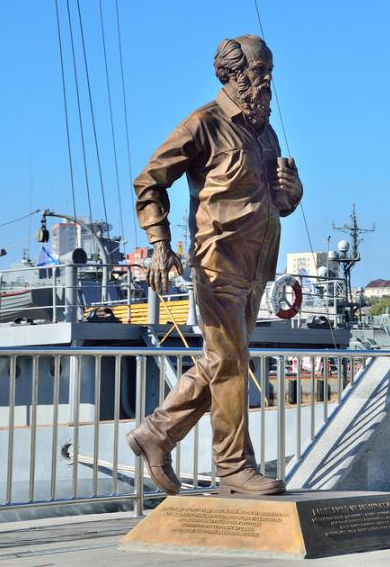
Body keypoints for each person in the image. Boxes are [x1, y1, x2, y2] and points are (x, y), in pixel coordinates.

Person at [126, 35, 303, 495]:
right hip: (217, 262)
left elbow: (276, 202)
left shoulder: (266, 133)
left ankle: (157, 433)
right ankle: (233, 467)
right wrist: (159, 242)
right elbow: (149, 181)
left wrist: (292, 192)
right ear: (234, 74)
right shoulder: (203, 124)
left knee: (222, 359)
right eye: (260, 71)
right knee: (229, 363)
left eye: (270, 71)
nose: (268, 80)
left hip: (258, 264)